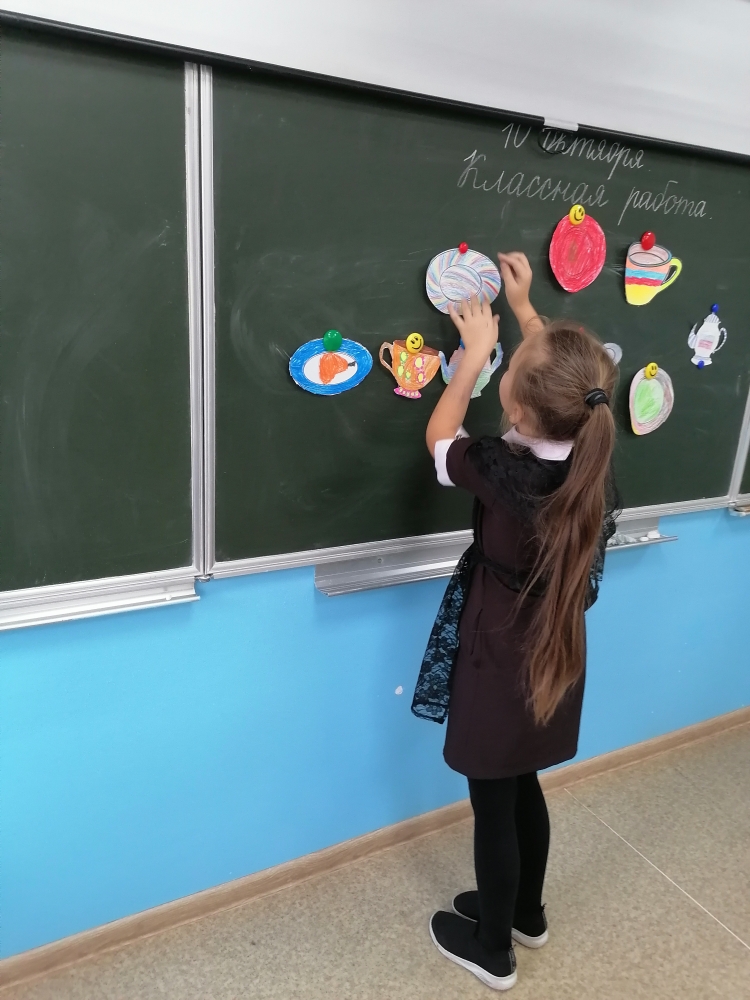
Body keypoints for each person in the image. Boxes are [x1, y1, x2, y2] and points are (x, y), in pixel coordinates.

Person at [412, 252, 619, 991]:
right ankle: (527, 912)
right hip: (555, 650)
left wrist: (471, 356)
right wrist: (527, 309)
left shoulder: (504, 468)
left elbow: (441, 442)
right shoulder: (590, 453)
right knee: (523, 780)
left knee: (493, 802)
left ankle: (493, 947)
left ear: (518, 407)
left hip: (500, 653)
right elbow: (559, 375)